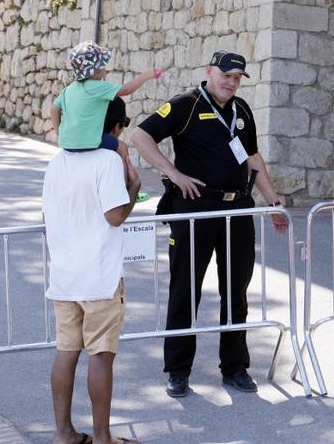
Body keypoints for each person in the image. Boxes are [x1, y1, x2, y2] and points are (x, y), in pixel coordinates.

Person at [130, 50, 286, 398]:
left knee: (237, 290)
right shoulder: (185, 104)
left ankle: (235, 367)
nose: (231, 82)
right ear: (209, 72)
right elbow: (141, 136)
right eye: (226, 75)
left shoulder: (242, 110)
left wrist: (272, 201)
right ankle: (178, 371)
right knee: (185, 291)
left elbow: (252, 156)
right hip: (195, 210)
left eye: (237, 77)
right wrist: (171, 172)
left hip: (237, 209)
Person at [42, 99, 142, 444]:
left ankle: (64, 433)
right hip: (99, 276)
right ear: (115, 128)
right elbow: (115, 216)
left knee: (65, 352)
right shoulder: (107, 161)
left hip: (64, 275)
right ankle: (103, 438)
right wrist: (135, 187)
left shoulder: (58, 162)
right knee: (101, 356)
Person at [51, 40, 162, 161]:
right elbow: (126, 90)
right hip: (89, 141)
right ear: (96, 70)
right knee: (122, 148)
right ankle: (125, 178)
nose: (105, 69)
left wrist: (59, 132)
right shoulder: (97, 86)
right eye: (103, 65)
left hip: (67, 143)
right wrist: (147, 75)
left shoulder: (69, 89)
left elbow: (54, 108)